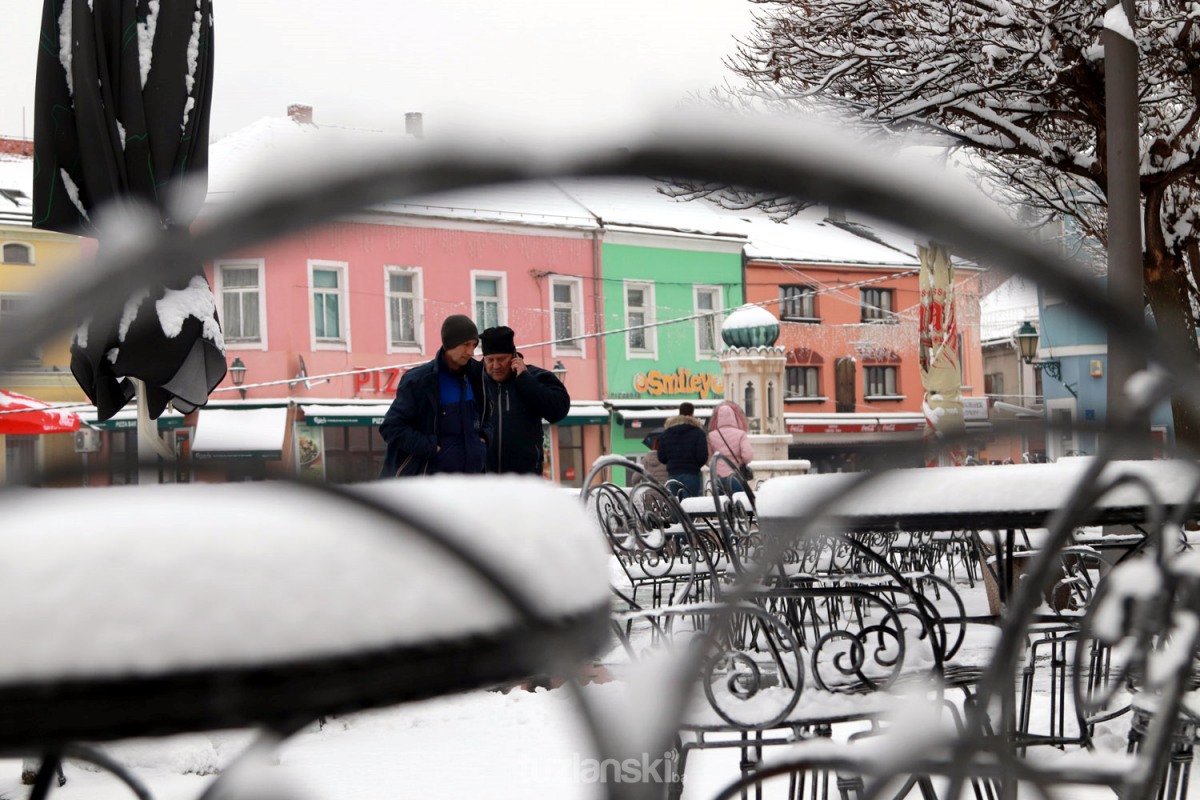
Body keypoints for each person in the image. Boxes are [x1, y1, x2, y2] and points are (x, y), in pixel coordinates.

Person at [379, 314, 489, 477]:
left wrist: (485, 437)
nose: (471, 351)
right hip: (429, 486)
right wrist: (430, 447)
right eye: (466, 344)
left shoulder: (479, 376)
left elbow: (489, 416)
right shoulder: (420, 381)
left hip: (471, 485)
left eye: (474, 345)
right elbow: (391, 428)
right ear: (449, 343)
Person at [478, 325, 571, 475]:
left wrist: (525, 380)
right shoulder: (473, 382)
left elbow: (558, 411)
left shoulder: (536, 377)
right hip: (482, 482)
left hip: (525, 482)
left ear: (514, 356)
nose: (495, 365)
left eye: (501, 359)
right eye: (490, 360)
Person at [655, 401, 709, 497]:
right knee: (690, 506)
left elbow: (661, 457)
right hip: (691, 473)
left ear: (679, 412)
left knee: (677, 507)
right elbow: (702, 456)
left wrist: (673, 462)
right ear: (692, 413)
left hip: (673, 474)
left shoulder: (667, 433)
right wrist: (695, 465)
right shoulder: (698, 433)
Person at [706, 400, 755, 494]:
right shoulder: (740, 434)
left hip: (717, 477)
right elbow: (748, 456)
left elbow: (708, 459)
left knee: (722, 505)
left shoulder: (711, 435)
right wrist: (740, 461)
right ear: (734, 417)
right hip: (735, 476)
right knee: (740, 503)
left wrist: (717, 464)